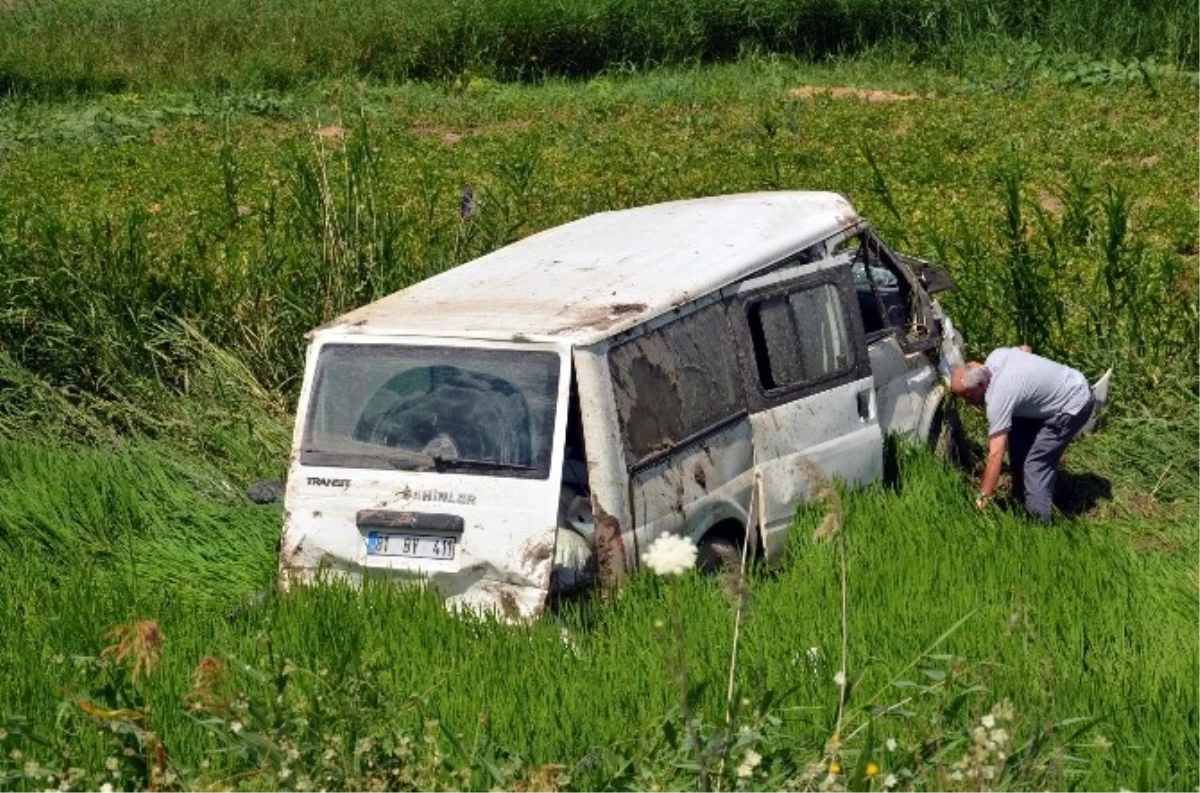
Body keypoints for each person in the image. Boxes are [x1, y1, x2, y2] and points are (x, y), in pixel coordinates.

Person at [951, 346, 1094, 522]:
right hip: (1071, 381)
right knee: (1015, 428)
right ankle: (1020, 496)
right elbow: (1025, 349)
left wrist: (982, 499)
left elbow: (995, 455)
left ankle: (1038, 525)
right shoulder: (997, 356)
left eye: (968, 396)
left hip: (1074, 405)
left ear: (981, 385)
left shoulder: (998, 398)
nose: (968, 403)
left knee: (1036, 464)